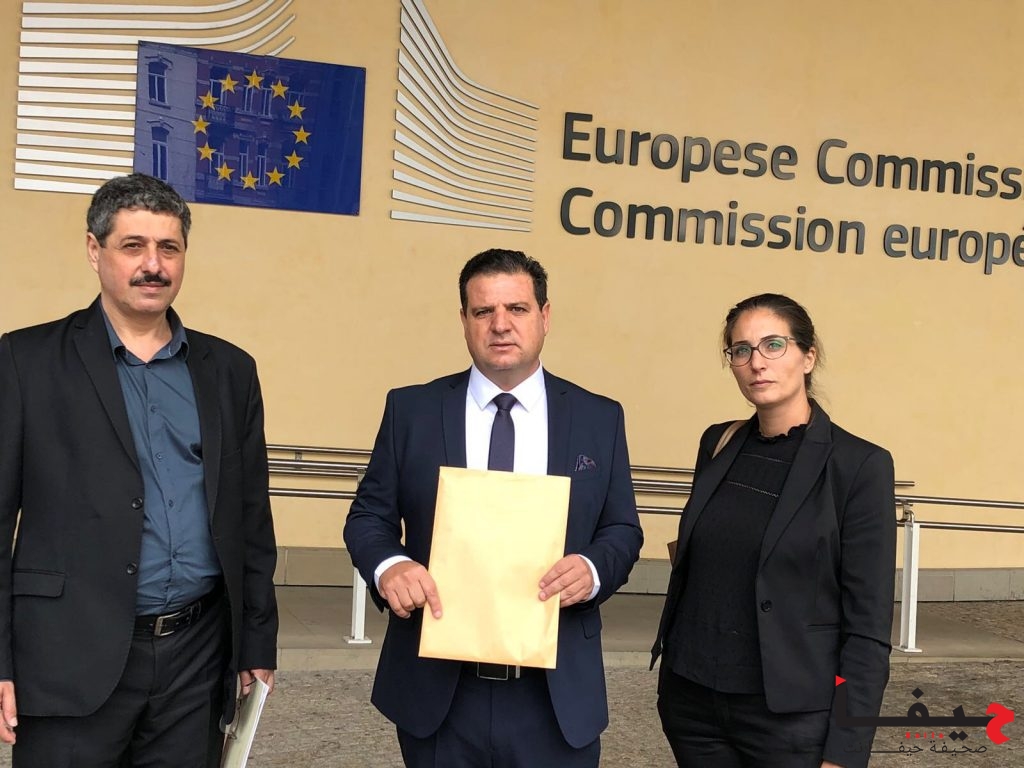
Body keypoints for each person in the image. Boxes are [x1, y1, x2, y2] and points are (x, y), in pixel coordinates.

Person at [0, 173, 279, 767]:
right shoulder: (25, 362)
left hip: (195, 660)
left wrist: (257, 642)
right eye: (134, 246)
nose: (153, 265)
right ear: (94, 250)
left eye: (168, 248)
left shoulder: (230, 371)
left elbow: (251, 518)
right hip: (68, 654)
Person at [344, 248, 643, 767]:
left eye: (517, 309)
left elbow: (621, 528)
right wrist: (390, 566)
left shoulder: (598, 417)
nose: (500, 325)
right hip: (440, 691)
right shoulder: (412, 410)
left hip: (554, 692)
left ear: (545, 315)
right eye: (484, 311)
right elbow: (369, 517)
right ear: (464, 320)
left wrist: (593, 569)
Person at [651, 293, 895, 768]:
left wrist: (845, 750)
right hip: (693, 704)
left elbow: (867, 626)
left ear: (808, 356)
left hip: (790, 719)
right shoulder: (717, 443)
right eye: (741, 350)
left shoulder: (858, 465)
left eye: (773, 345)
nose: (756, 362)